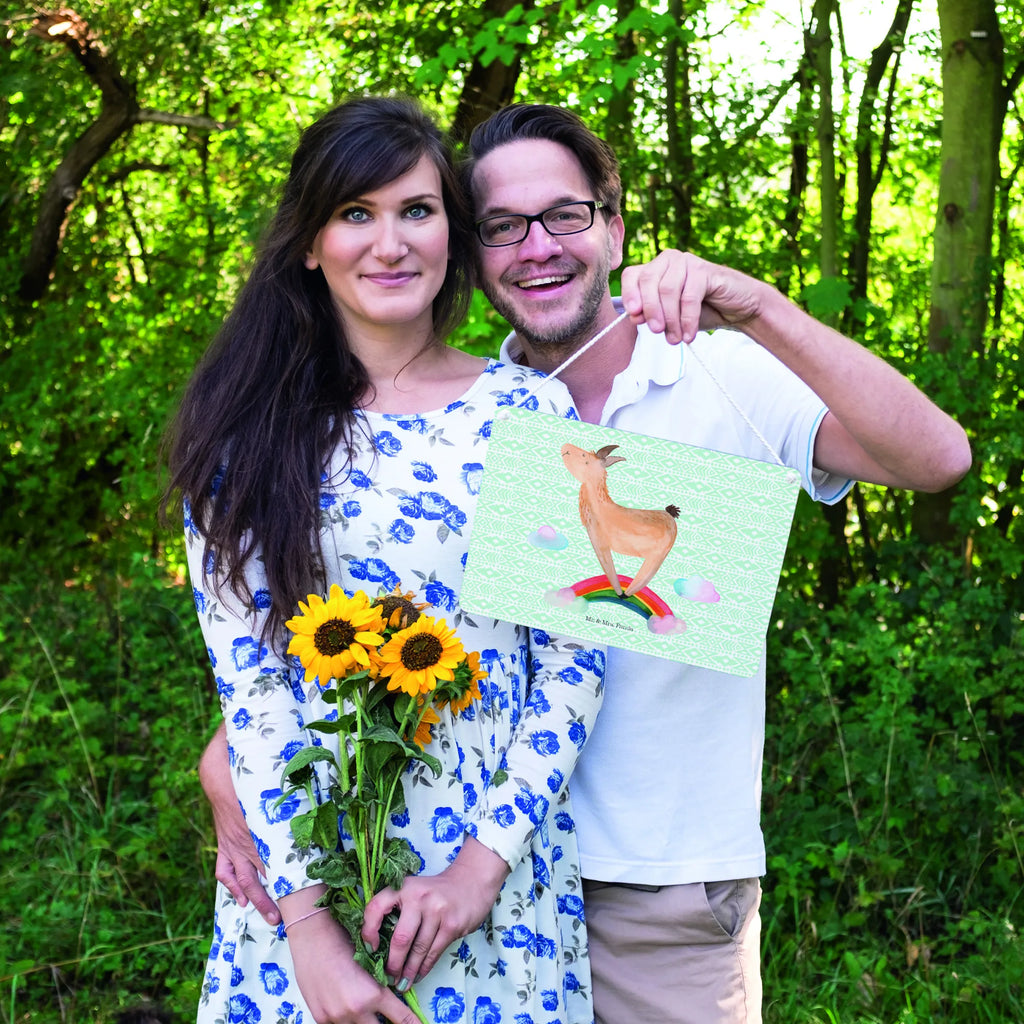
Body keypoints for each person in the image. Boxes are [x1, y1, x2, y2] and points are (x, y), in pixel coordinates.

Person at [201, 103, 972, 1024]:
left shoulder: (711, 373)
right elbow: (345, 633)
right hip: (444, 879)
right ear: (475, 251)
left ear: (612, 225)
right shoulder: (457, 417)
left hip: (656, 887)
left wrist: (759, 307)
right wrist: (234, 767)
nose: (537, 247)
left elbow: (938, 461)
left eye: (564, 216)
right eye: (502, 227)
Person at [165, 96, 607, 1024]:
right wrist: (311, 936)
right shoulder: (245, 436)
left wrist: (478, 873)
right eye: (355, 214)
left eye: (417, 210)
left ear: (452, 229)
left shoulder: (529, 414)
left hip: (492, 887)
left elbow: (575, 661)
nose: (390, 242)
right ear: (308, 243)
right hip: (303, 888)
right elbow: (252, 690)